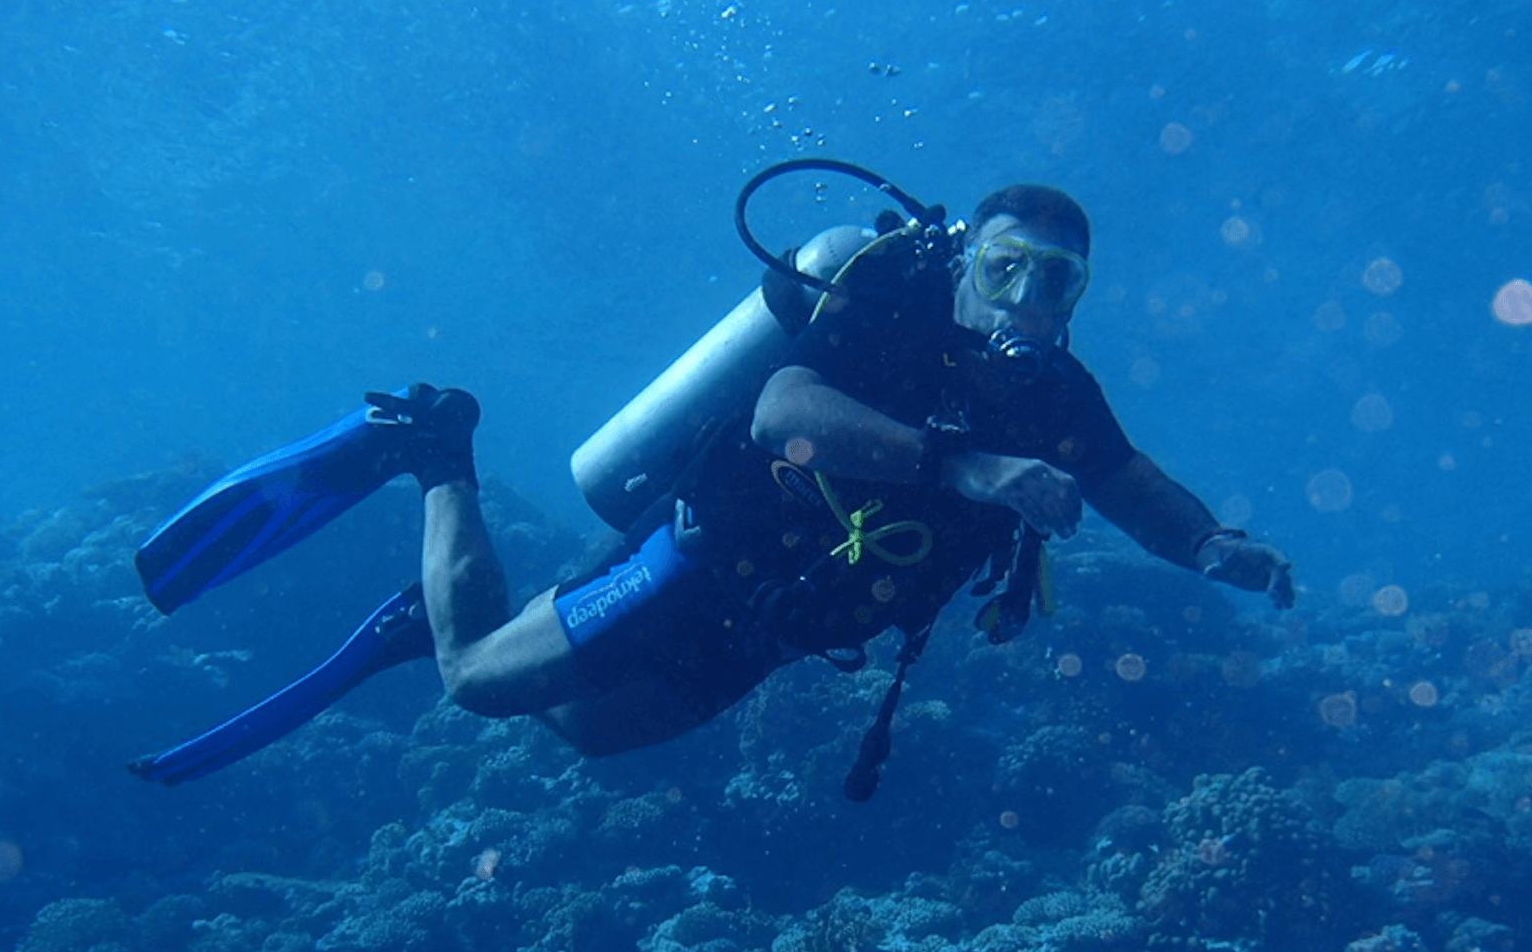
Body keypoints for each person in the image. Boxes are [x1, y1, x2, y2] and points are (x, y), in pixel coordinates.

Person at [131, 171, 1293, 796]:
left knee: (588, 736)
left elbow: (1135, 483)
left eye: (1057, 279)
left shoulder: (1057, 394)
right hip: (705, 557)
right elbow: (784, 410)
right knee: (479, 685)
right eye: (1004, 267)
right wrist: (966, 460)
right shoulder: (886, 313)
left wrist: (1204, 547)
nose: (1028, 299)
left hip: (790, 626)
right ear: (964, 261)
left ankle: (456, 609)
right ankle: (435, 458)